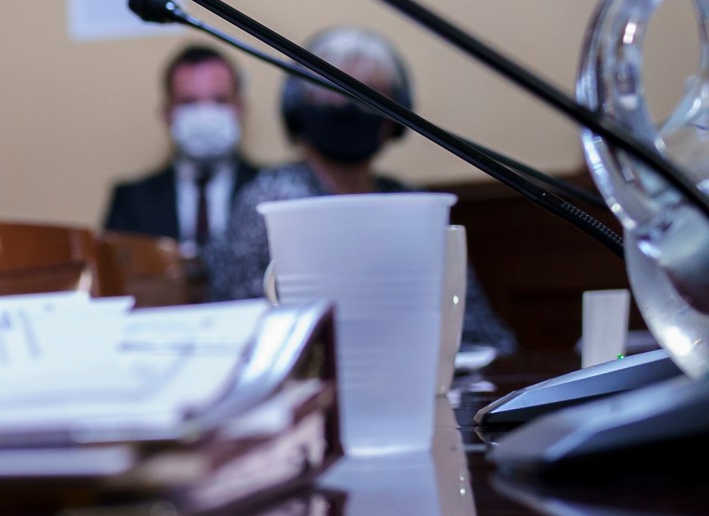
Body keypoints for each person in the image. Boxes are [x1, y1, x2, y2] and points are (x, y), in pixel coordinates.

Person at [206, 25, 517, 353]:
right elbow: (243, 333)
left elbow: (481, 335)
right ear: (299, 108)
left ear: (395, 115)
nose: (347, 107)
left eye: (368, 95)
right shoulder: (270, 202)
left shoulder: (415, 207)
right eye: (329, 92)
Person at [103, 43, 265, 273]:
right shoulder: (131, 201)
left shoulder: (270, 192)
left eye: (219, 101)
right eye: (189, 102)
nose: (204, 116)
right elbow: (114, 281)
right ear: (167, 113)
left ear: (239, 108)